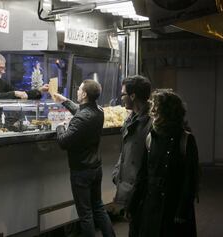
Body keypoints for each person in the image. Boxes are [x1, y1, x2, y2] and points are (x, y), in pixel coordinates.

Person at [129, 89, 199, 237]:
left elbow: (190, 179)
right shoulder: (151, 137)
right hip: (151, 203)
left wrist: (182, 212)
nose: (152, 110)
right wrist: (133, 205)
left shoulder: (185, 139)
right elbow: (143, 174)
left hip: (173, 205)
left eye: (156, 106)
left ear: (168, 111)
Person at [53, 79, 116, 237]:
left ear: (85, 94)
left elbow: (63, 142)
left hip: (81, 171)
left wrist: (59, 126)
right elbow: (81, 112)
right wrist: (65, 101)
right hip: (96, 167)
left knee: (86, 215)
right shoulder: (99, 110)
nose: (77, 91)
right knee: (99, 208)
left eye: (79, 89)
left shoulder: (82, 118)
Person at [111, 75, 152, 236]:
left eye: (123, 94)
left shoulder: (151, 122)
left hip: (143, 192)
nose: (121, 97)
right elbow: (125, 153)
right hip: (131, 189)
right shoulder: (131, 119)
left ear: (133, 96)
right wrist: (117, 173)